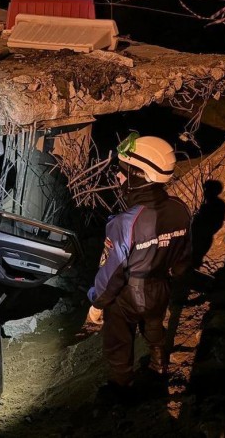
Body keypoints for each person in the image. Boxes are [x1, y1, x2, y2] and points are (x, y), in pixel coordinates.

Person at [86, 133, 192, 391]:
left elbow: (112, 275)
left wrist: (97, 304)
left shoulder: (125, 223)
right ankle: (159, 363)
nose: (119, 176)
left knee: (119, 339)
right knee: (154, 324)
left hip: (129, 295)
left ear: (139, 175)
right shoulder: (180, 209)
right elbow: (183, 257)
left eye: (123, 171)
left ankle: (120, 387)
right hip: (161, 288)